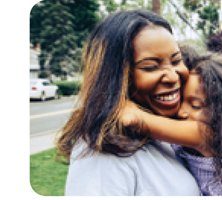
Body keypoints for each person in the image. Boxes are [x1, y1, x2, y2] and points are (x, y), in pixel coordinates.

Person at [55, 10, 200, 196]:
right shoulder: (103, 153)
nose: (173, 76)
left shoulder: (165, 129)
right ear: (115, 77)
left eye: (176, 60)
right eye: (150, 67)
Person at [121, 45, 222, 196]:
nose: (182, 111)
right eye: (181, 100)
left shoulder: (208, 135)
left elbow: (137, 119)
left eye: (195, 105)